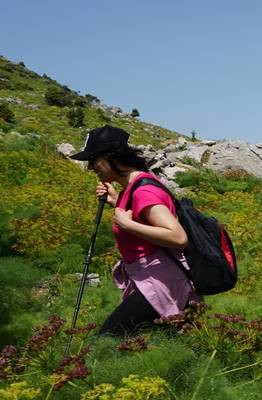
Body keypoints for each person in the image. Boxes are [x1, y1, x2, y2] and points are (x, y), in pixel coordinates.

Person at [71, 125, 197, 336]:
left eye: (93, 160)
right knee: (165, 340)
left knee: (106, 341)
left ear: (111, 157)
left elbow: (178, 237)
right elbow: (144, 217)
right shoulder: (134, 186)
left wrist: (127, 224)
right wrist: (116, 202)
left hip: (160, 280)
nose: (90, 167)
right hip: (152, 277)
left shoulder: (144, 190)